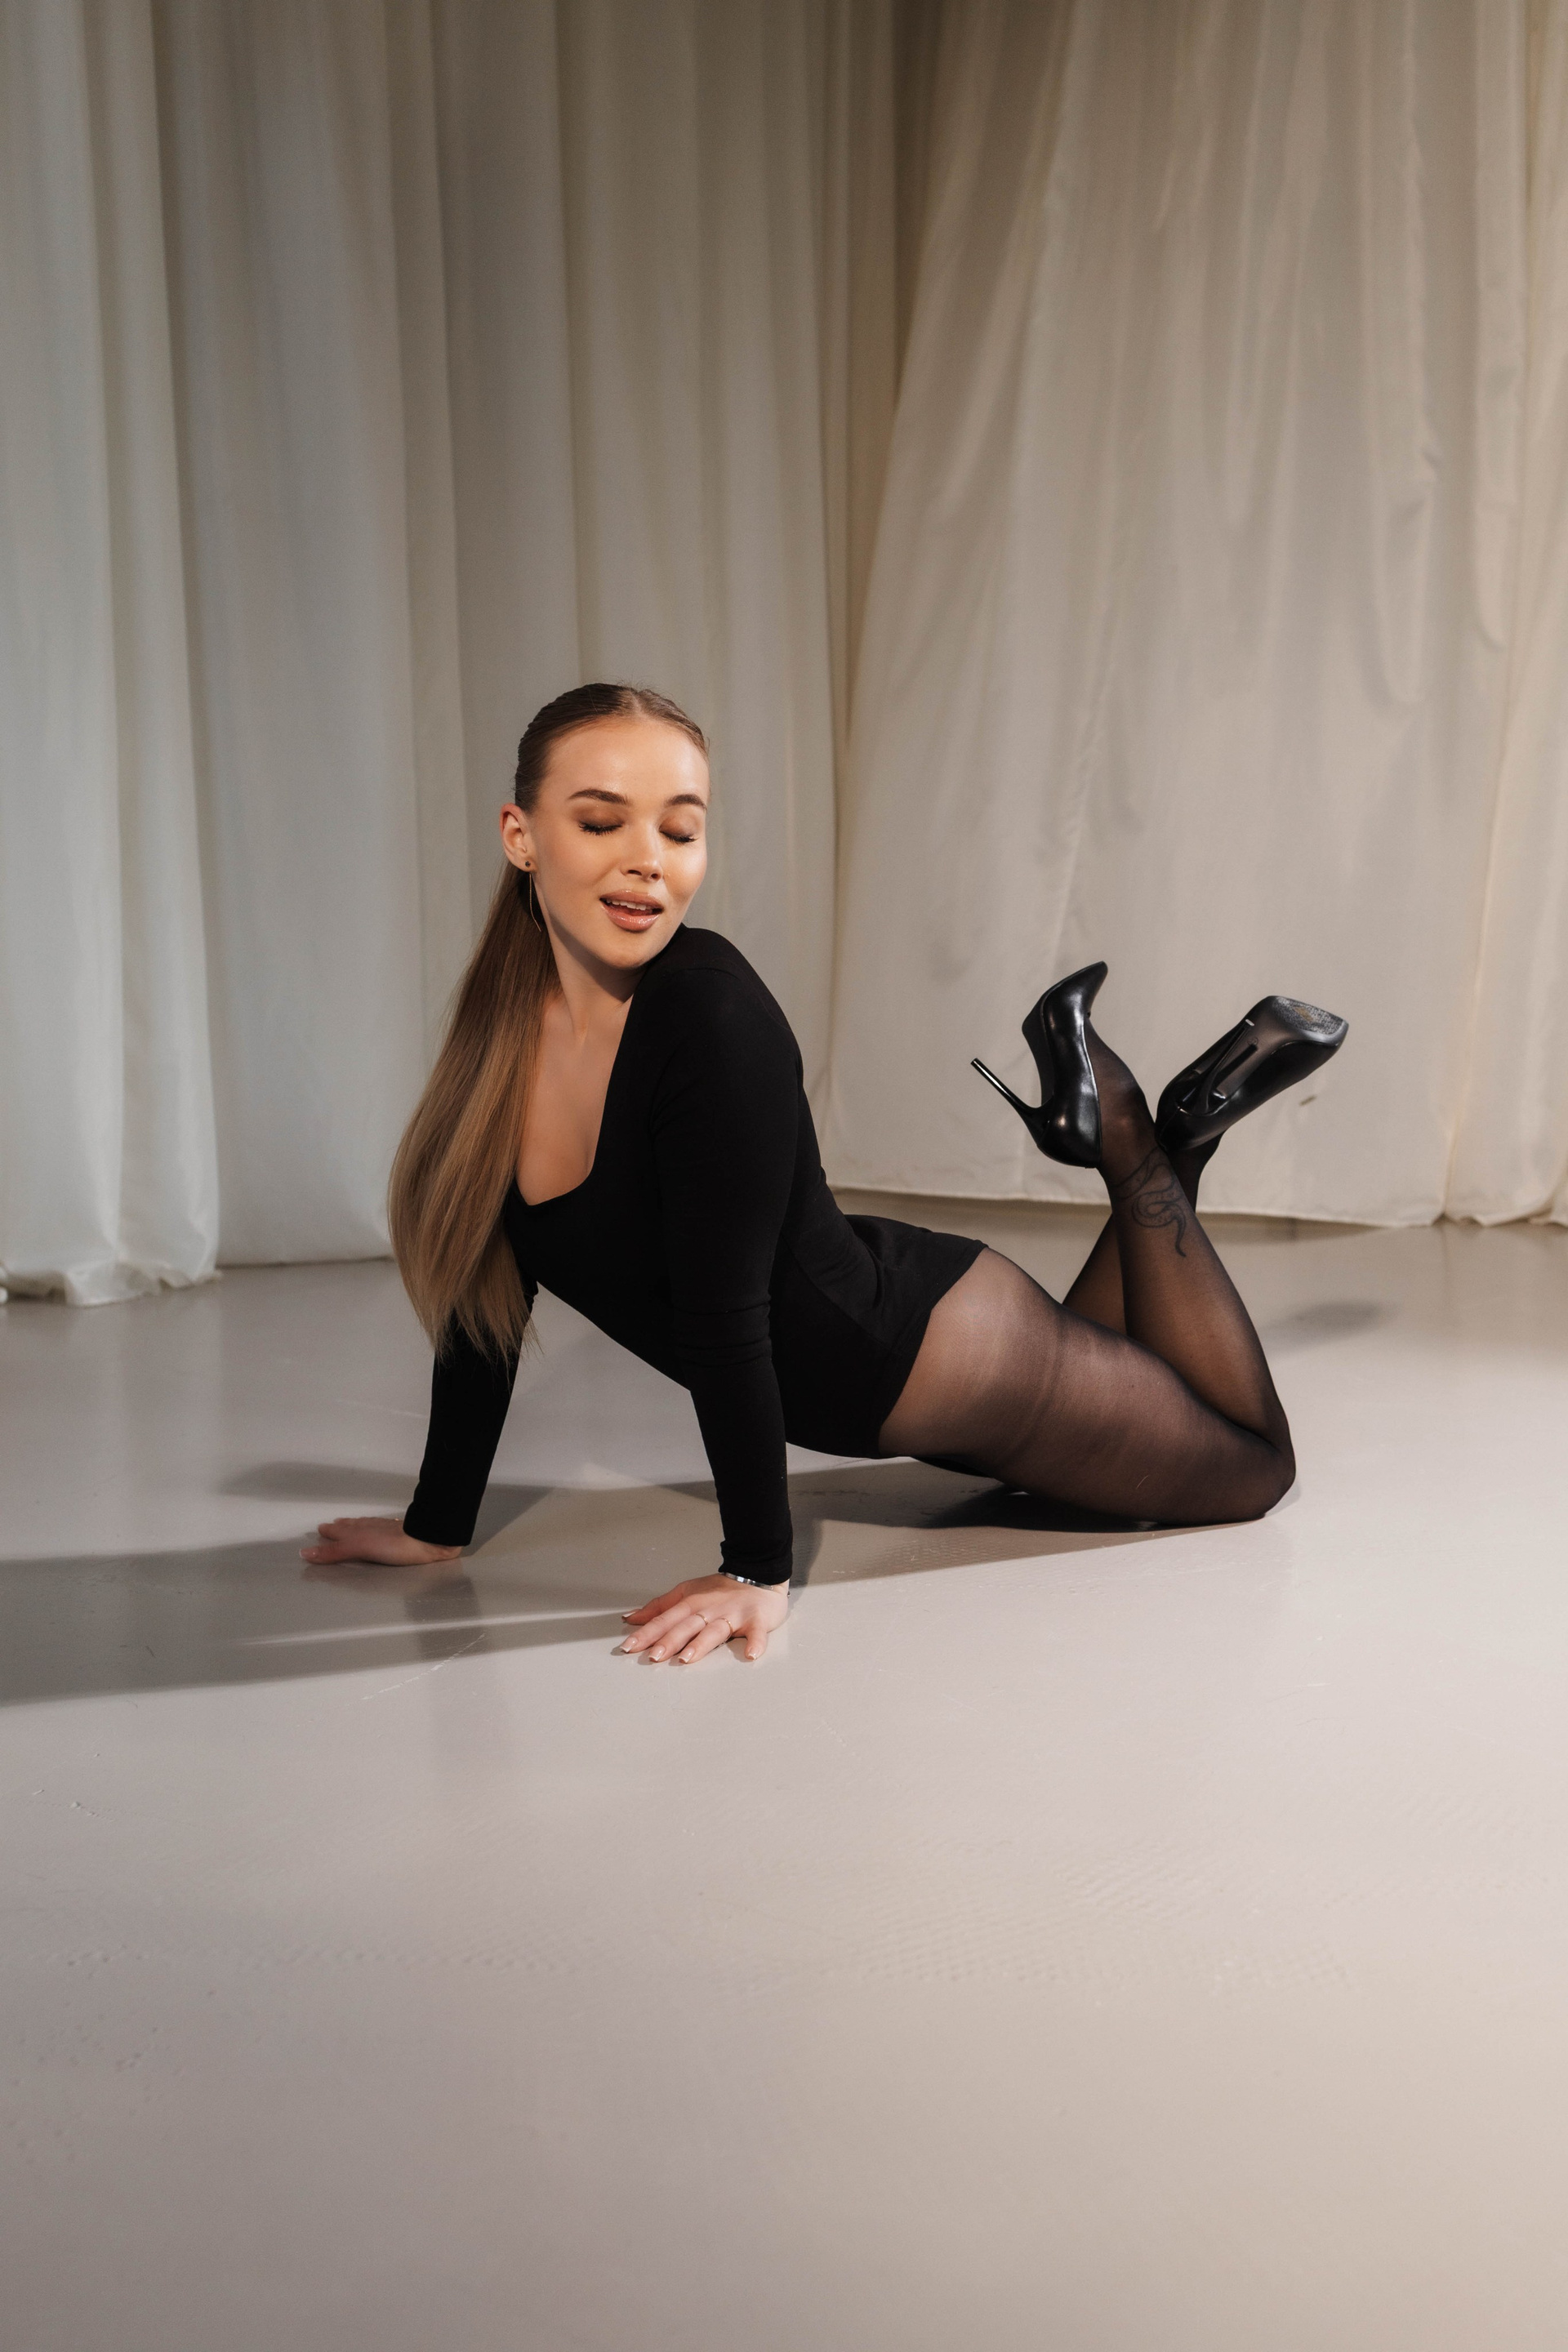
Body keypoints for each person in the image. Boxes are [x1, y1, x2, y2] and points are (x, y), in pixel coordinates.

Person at [301, 684, 1347, 1664]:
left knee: (1255, 1468)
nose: (647, 861)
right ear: (520, 835)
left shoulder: (710, 1018)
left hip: (941, 1357)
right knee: (1126, 1368)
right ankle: (1179, 1137)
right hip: (889, 1351)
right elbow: (484, 1302)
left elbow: (725, 1319)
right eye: (602, 822)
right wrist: (437, 1524)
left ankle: (1128, 1129)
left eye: (680, 830)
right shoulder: (503, 1037)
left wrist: (757, 1569)